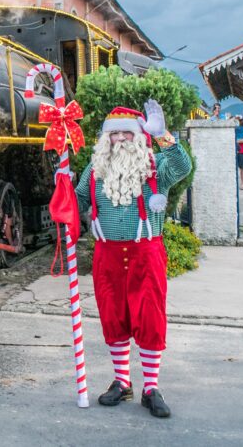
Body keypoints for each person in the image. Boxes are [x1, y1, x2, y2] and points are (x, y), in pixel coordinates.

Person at [74, 100, 192, 418]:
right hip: (107, 254)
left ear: (139, 135)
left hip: (145, 253)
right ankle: (122, 382)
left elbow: (183, 167)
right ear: (106, 139)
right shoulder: (95, 169)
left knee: (149, 318)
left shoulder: (155, 166)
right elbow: (77, 199)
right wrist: (61, 185)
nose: (122, 138)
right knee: (114, 316)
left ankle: (150, 388)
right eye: (115, 134)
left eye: (128, 132)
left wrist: (165, 135)